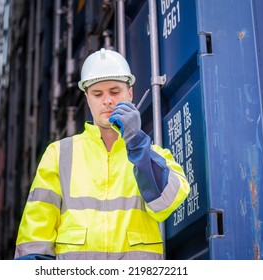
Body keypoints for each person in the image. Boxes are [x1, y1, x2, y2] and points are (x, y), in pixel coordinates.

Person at [14, 48, 190, 260]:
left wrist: (137, 144)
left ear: (130, 93)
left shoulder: (153, 154)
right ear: (87, 97)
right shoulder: (59, 154)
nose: (107, 101)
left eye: (115, 92)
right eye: (97, 94)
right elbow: (35, 237)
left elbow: (166, 205)